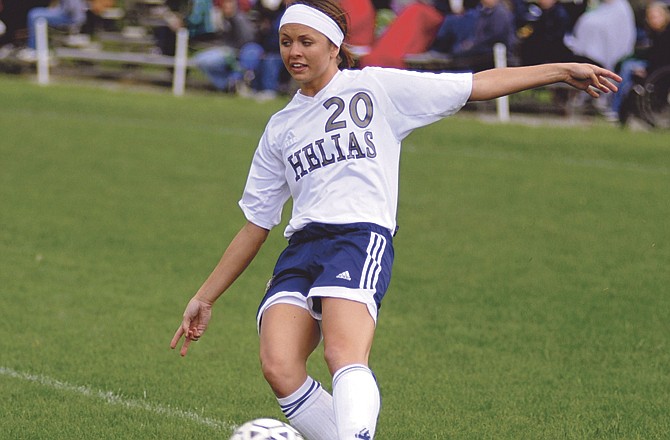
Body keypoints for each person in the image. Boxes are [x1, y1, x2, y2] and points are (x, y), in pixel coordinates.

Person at [169, 1, 620, 439]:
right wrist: (205, 297)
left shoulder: (377, 88)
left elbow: (475, 83)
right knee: (279, 366)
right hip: (300, 248)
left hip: (358, 238)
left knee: (343, 352)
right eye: (286, 42)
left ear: (334, 46)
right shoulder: (280, 127)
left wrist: (561, 70)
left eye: (307, 41)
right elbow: (256, 223)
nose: (294, 52)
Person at [192, 0, 256, 92]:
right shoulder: (223, 18)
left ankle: (227, 84)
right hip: (223, 49)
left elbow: (246, 39)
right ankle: (226, 84)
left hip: (234, 52)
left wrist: (232, 50)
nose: (227, 7)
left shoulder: (239, 19)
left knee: (202, 61)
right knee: (198, 60)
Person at [16, 0, 87, 61]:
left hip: (69, 18)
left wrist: (75, 28)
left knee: (35, 16)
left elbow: (73, 10)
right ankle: (34, 48)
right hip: (64, 13)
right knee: (34, 12)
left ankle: (35, 50)